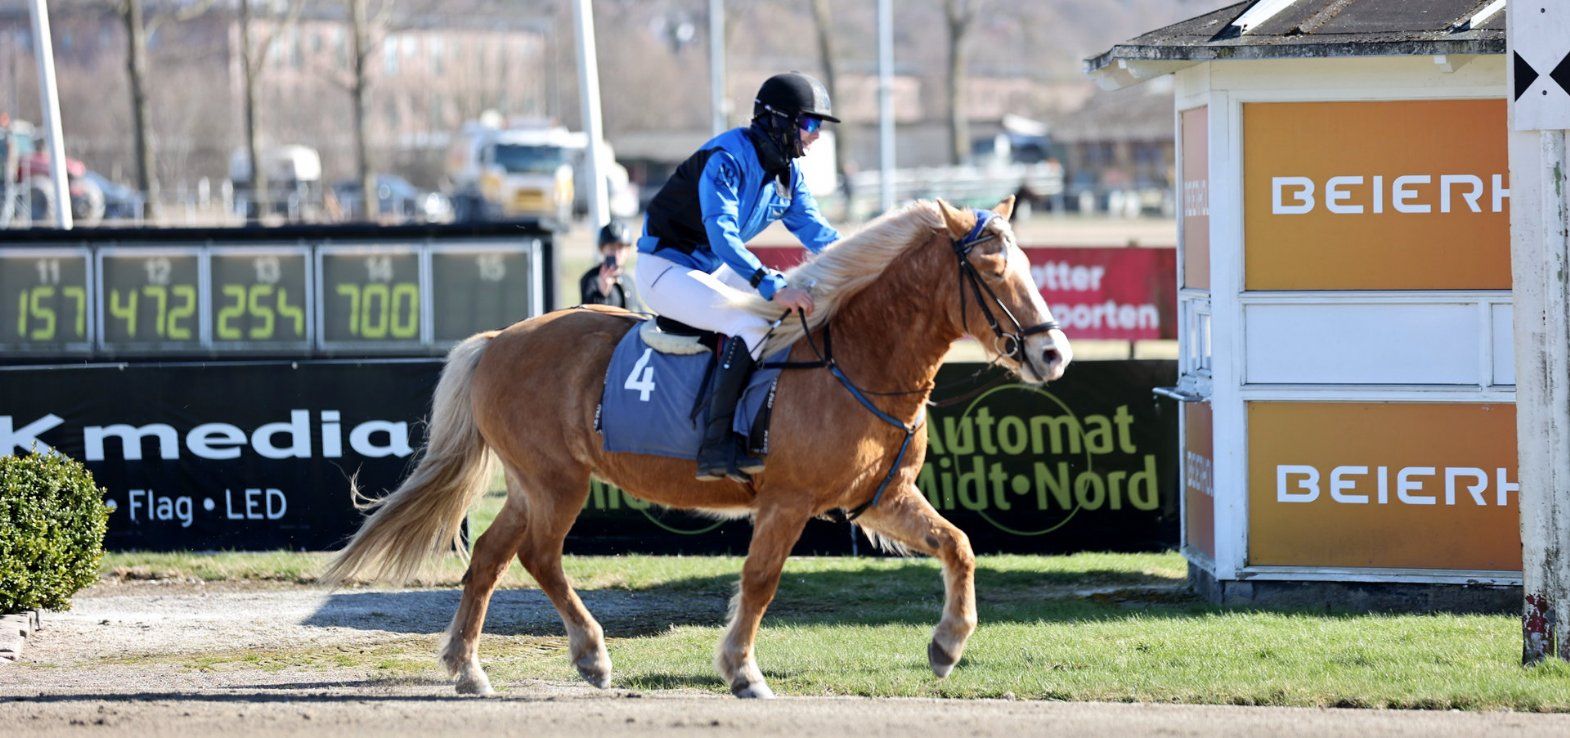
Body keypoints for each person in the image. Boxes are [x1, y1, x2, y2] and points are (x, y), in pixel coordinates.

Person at [633, 71, 842, 482]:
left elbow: (821, 236)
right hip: (664, 268)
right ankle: (715, 447)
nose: (816, 136)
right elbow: (723, 236)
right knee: (747, 321)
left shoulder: (789, 175)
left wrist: (867, 264)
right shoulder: (726, 158)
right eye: (811, 123)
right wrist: (773, 285)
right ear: (780, 121)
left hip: (708, 269)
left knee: (785, 318)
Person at [580, 220, 640, 309]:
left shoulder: (628, 279)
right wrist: (602, 293)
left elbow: (637, 310)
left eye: (620, 248)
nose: (616, 253)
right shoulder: (591, 279)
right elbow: (587, 316)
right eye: (612, 248)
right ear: (602, 249)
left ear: (627, 251)